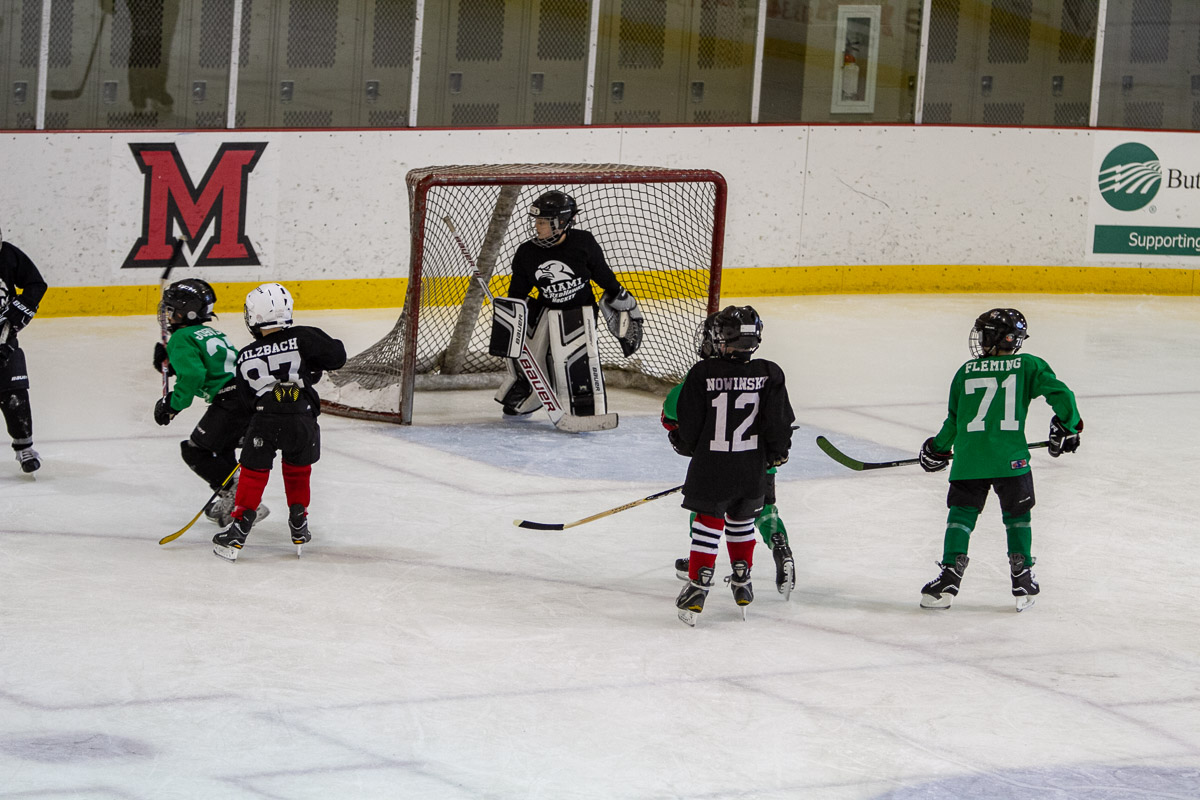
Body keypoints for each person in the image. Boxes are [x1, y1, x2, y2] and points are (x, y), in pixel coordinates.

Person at [918, 308, 1082, 611]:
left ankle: (949, 577)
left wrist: (936, 448)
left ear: (994, 337)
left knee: (961, 515)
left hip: (969, 461)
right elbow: (1062, 394)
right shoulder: (1029, 365)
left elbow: (954, 422)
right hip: (1011, 459)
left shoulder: (966, 371)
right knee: (1017, 516)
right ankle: (1022, 577)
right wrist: (1069, 426)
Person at [668, 306, 794, 626]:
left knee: (708, 523)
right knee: (742, 521)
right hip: (752, 468)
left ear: (723, 339)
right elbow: (779, 424)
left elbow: (688, 426)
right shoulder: (770, 373)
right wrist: (777, 453)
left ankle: (698, 586)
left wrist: (685, 445)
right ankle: (742, 580)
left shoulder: (703, 373)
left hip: (712, 466)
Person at [213, 283, 346, 562]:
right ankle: (299, 524)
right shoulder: (304, 337)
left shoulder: (246, 354)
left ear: (253, 316)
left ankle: (238, 532)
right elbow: (337, 356)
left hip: (264, 419)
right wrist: (311, 365)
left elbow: (246, 401)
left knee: (253, 472)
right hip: (302, 418)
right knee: (298, 470)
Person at [491, 190, 644, 418]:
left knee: (577, 361)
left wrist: (621, 297)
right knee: (539, 358)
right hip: (547, 314)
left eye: (543, 222)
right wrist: (510, 320)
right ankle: (526, 393)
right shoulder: (527, 253)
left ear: (561, 222)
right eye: (537, 221)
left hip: (580, 314)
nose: (536, 226)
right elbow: (517, 294)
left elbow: (603, 275)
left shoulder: (583, 243)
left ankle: (584, 402)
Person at [152, 278, 266, 526]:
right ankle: (238, 500)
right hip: (247, 396)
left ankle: (245, 502)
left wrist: (172, 405)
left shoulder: (181, 337)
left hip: (229, 402)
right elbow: (210, 365)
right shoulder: (211, 333)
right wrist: (172, 363)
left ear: (185, 312)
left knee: (196, 451)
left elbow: (194, 375)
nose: (167, 315)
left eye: (171, 309)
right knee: (221, 450)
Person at [0, 227, 48, 473]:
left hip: (3, 338)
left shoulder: (7, 254)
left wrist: (18, 311)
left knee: (15, 393)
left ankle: (24, 448)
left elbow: (35, 284)